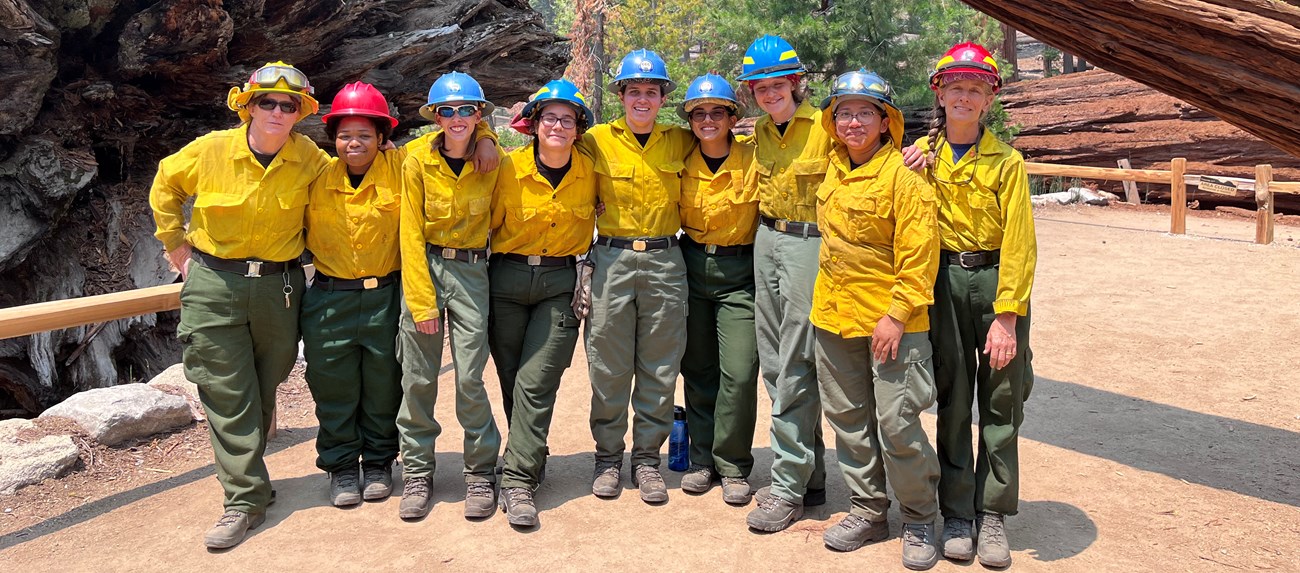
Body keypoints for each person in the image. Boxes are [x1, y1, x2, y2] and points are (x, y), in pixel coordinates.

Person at [149, 61, 329, 549]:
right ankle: (243, 499)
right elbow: (166, 183)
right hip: (214, 284)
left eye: (287, 104)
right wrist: (175, 245)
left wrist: (479, 137)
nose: (275, 110)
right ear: (247, 107)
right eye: (265, 102)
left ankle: (250, 479)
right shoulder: (211, 150)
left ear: (300, 113)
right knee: (228, 392)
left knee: (266, 379)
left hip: (280, 288)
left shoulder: (309, 157)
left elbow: (353, 179)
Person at [903, 42, 1037, 568]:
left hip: (995, 282)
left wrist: (1007, 316)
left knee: (1002, 402)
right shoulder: (923, 158)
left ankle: (993, 512)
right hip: (942, 283)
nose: (964, 96)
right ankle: (956, 512)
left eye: (975, 89)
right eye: (955, 87)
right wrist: (911, 170)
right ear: (939, 93)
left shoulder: (1008, 163)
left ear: (989, 100)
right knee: (954, 396)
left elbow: (1021, 243)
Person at [812, 70, 942, 570]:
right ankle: (868, 509)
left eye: (865, 112)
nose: (852, 122)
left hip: (893, 323)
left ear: (887, 123)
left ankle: (918, 516)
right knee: (848, 420)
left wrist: (895, 314)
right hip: (833, 316)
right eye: (843, 112)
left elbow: (919, 256)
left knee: (897, 422)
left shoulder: (906, 178)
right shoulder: (830, 167)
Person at [582, 49, 695, 504]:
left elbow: (729, 144)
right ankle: (608, 457)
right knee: (607, 365)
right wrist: (489, 137)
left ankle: (647, 459)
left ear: (663, 96)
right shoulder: (595, 140)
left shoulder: (680, 141)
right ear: (621, 96)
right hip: (611, 259)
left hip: (667, 261)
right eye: (634, 91)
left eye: (652, 91)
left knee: (660, 365)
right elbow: (540, 138)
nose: (643, 99)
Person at [396, 71, 505, 520]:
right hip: (426, 266)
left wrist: (489, 140)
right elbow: (409, 233)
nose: (456, 118)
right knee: (418, 378)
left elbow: (499, 218)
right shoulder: (416, 161)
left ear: (478, 114)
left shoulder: (494, 160)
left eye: (466, 111)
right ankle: (418, 472)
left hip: (472, 270)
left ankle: (479, 469)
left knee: (469, 376)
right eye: (447, 111)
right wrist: (422, 302)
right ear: (435, 116)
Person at [489, 79, 598, 527]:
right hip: (505, 279)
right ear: (532, 125)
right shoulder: (504, 167)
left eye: (567, 119)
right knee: (512, 377)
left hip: (559, 282)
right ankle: (531, 453)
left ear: (578, 129)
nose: (557, 125)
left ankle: (517, 479)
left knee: (537, 381)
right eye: (548, 117)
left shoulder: (592, 171)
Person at [736, 35, 833, 532]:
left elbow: (881, 148)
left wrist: (919, 150)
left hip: (809, 246)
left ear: (796, 83)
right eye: (760, 86)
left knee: (795, 361)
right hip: (766, 239)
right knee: (774, 361)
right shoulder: (760, 132)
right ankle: (811, 474)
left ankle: (788, 484)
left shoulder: (828, 125)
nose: (770, 92)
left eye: (778, 84)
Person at [300, 82, 404, 507]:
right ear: (333, 138)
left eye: (365, 134)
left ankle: (379, 461)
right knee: (333, 386)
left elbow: (452, 137)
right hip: (329, 298)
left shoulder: (402, 169)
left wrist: (489, 136)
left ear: (383, 138)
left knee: (384, 383)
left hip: (386, 296)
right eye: (345, 135)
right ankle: (342, 466)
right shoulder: (315, 176)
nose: (354, 143)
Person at [674, 74, 759, 505]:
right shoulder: (679, 156)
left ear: (732, 116)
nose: (708, 120)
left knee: (740, 373)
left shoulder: (754, 157)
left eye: (717, 112)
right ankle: (703, 459)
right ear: (689, 118)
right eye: (699, 113)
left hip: (739, 271)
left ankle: (734, 464)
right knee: (699, 370)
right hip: (690, 266)